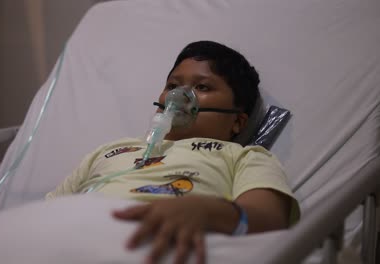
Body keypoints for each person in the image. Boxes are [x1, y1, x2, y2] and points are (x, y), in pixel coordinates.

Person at [46, 40, 300, 264]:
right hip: (70, 240)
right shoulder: (109, 151)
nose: (179, 96)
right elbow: (47, 213)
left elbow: (269, 219)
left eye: (203, 87)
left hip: (152, 246)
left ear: (238, 122)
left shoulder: (242, 156)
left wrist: (207, 211)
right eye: (173, 85)